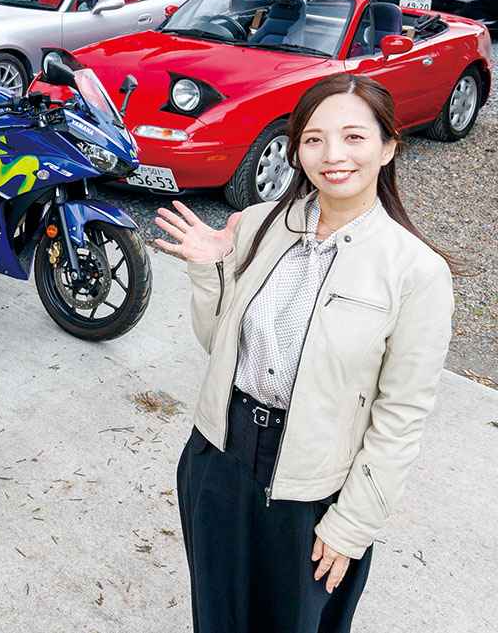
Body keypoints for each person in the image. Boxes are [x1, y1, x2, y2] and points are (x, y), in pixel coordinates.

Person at [154, 73, 455, 633]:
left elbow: (401, 415)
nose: (333, 155)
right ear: (297, 150)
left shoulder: (417, 272)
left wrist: (352, 524)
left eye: (354, 137)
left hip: (314, 489)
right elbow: (220, 347)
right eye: (314, 139)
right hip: (218, 458)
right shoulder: (261, 224)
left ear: (388, 147)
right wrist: (209, 270)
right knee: (217, 617)